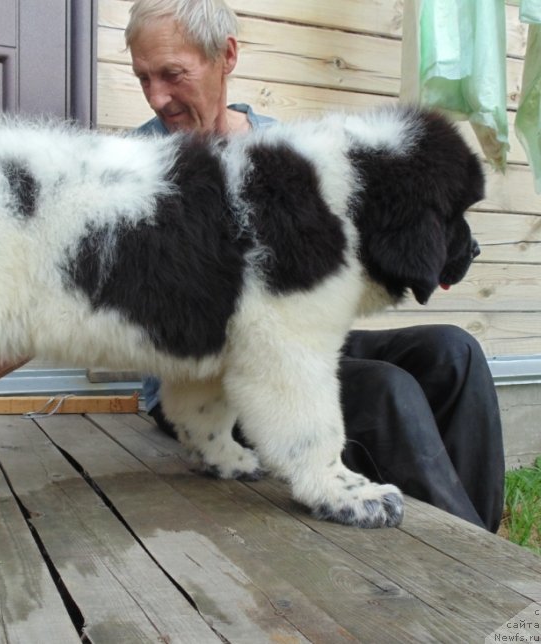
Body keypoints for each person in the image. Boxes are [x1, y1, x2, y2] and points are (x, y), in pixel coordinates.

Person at [124, 0, 505, 533]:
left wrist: (432, 247)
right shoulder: (136, 169)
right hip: (216, 375)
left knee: (453, 352)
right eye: (142, 77)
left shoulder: (286, 147)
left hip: (305, 345)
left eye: (172, 74)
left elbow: (374, 236)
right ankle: (470, 574)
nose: (157, 96)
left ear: (225, 56)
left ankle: (482, 537)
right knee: (387, 389)